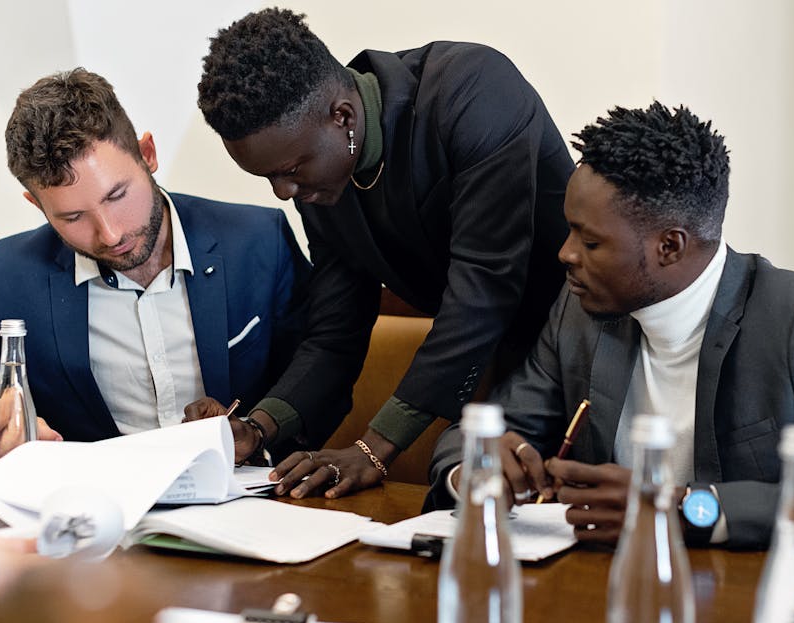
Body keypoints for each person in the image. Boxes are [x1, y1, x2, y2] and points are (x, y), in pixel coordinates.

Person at [428, 103, 794, 548]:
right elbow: (479, 434)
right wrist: (475, 465)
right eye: (570, 232)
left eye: (590, 242)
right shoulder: (581, 310)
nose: (565, 254)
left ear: (669, 246)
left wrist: (687, 510)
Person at [192, 8, 573, 498]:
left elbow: (484, 286)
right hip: (485, 363)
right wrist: (259, 425)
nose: (283, 193)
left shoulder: (473, 90)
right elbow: (336, 330)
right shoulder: (319, 181)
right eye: (268, 179)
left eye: (289, 170)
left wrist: (374, 448)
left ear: (343, 117)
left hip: (578, 353)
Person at [0, 68, 309, 463]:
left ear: (147, 154)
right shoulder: (10, 275)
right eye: (73, 218)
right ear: (37, 206)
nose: (110, 234)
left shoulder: (257, 240)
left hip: (253, 499)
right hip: (97, 519)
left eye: (117, 196)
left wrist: (260, 434)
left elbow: (323, 366)